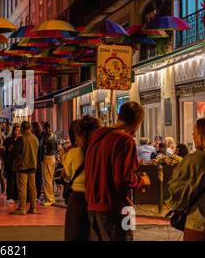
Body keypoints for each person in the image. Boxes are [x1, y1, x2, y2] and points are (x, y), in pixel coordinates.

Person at [85, 102, 151, 241]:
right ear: (138, 122)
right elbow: (123, 178)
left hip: (93, 206)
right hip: (118, 208)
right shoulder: (124, 140)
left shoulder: (97, 136)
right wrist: (142, 181)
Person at [64, 116, 101, 241]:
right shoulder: (100, 152)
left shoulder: (73, 153)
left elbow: (67, 174)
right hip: (96, 199)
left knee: (74, 235)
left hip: (77, 199)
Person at [167, 118, 205, 241]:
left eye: (195, 132)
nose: (193, 135)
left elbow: (176, 189)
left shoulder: (195, 159)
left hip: (198, 220)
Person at [11, 121, 40, 215]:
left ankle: (22, 208)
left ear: (23, 129)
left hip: (23, 166)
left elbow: (15, 152)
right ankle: (33, 207)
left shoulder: (21, 139)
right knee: (32, 188)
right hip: (33, 166)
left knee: (22, 188)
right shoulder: (35, 139)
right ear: (29, 128)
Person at [40, 122, 58, 206]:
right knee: (50, 179)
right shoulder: (54, 136)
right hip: (53, 157)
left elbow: (42, 148)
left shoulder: (45, 137)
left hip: (47, 157)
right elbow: (57, 147)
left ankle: (49, 199)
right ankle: (51, 198)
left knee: (47, 179)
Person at [3, 124, 20, 204]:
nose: (17, 132)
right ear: (13, 131)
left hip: (18, 163)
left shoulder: (20, 140)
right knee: (10, 180)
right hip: (9, 163)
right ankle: (9, 197)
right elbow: (4, 152)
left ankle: (16, 197)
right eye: (16, 130)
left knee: (17, 181)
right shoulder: (8, 140)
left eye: (19, 130)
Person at [31, 122, 43, 201]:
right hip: (38, 160)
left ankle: (36, 195)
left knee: (36, 178)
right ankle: (37, 195)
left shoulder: (36, 137)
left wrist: (38, 160)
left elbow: (39, 150)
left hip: (36, 159)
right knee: (37, 178)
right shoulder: (40, 136)